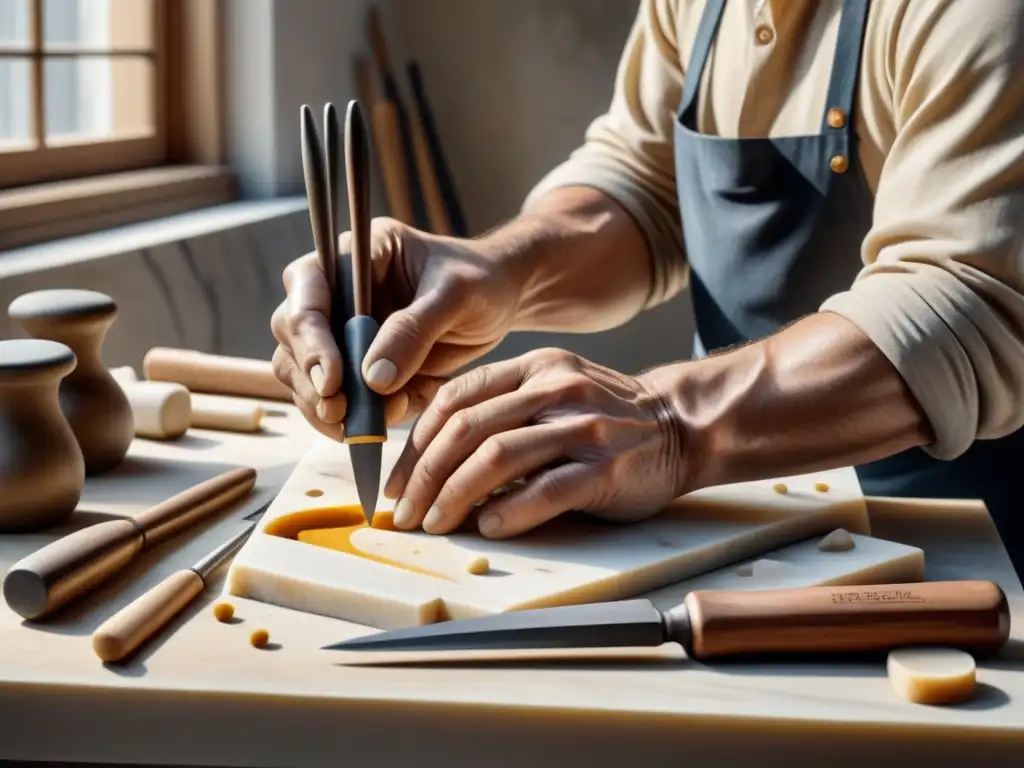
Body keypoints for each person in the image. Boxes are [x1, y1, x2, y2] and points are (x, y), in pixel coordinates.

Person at [271, 0, 1024, 572]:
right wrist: (491, 270)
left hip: (966, 547)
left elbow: (967, 302)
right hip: (740, 526)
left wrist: (671, 421)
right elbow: (643, 188)